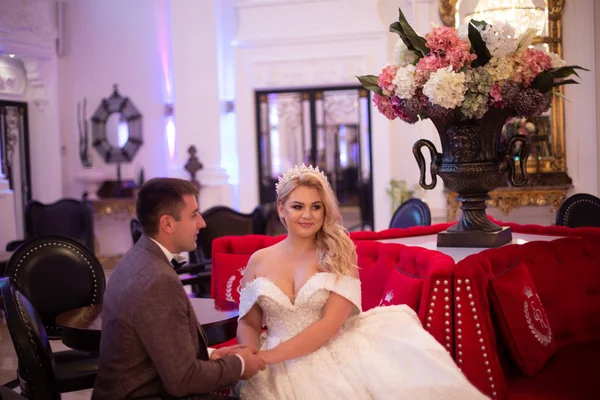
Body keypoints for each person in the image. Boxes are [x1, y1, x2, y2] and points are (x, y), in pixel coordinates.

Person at [236, 165, 488, 399]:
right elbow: (248, 321)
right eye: (297, 206)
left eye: (316, 207)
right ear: (281, 208)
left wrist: (268, 357)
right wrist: (250, 357)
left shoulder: (339, 252)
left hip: (328, 349)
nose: (307, 215)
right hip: (267, 362)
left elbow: (329, 324)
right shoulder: (259, 260)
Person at [92, 178, 265, 400]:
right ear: (168, 224)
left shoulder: (137, 257)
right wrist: (240, 365)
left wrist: (210, 355)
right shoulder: (157, 280)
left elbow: (159, 346)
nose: (202, 223)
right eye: (194, 215)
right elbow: (183, 381)